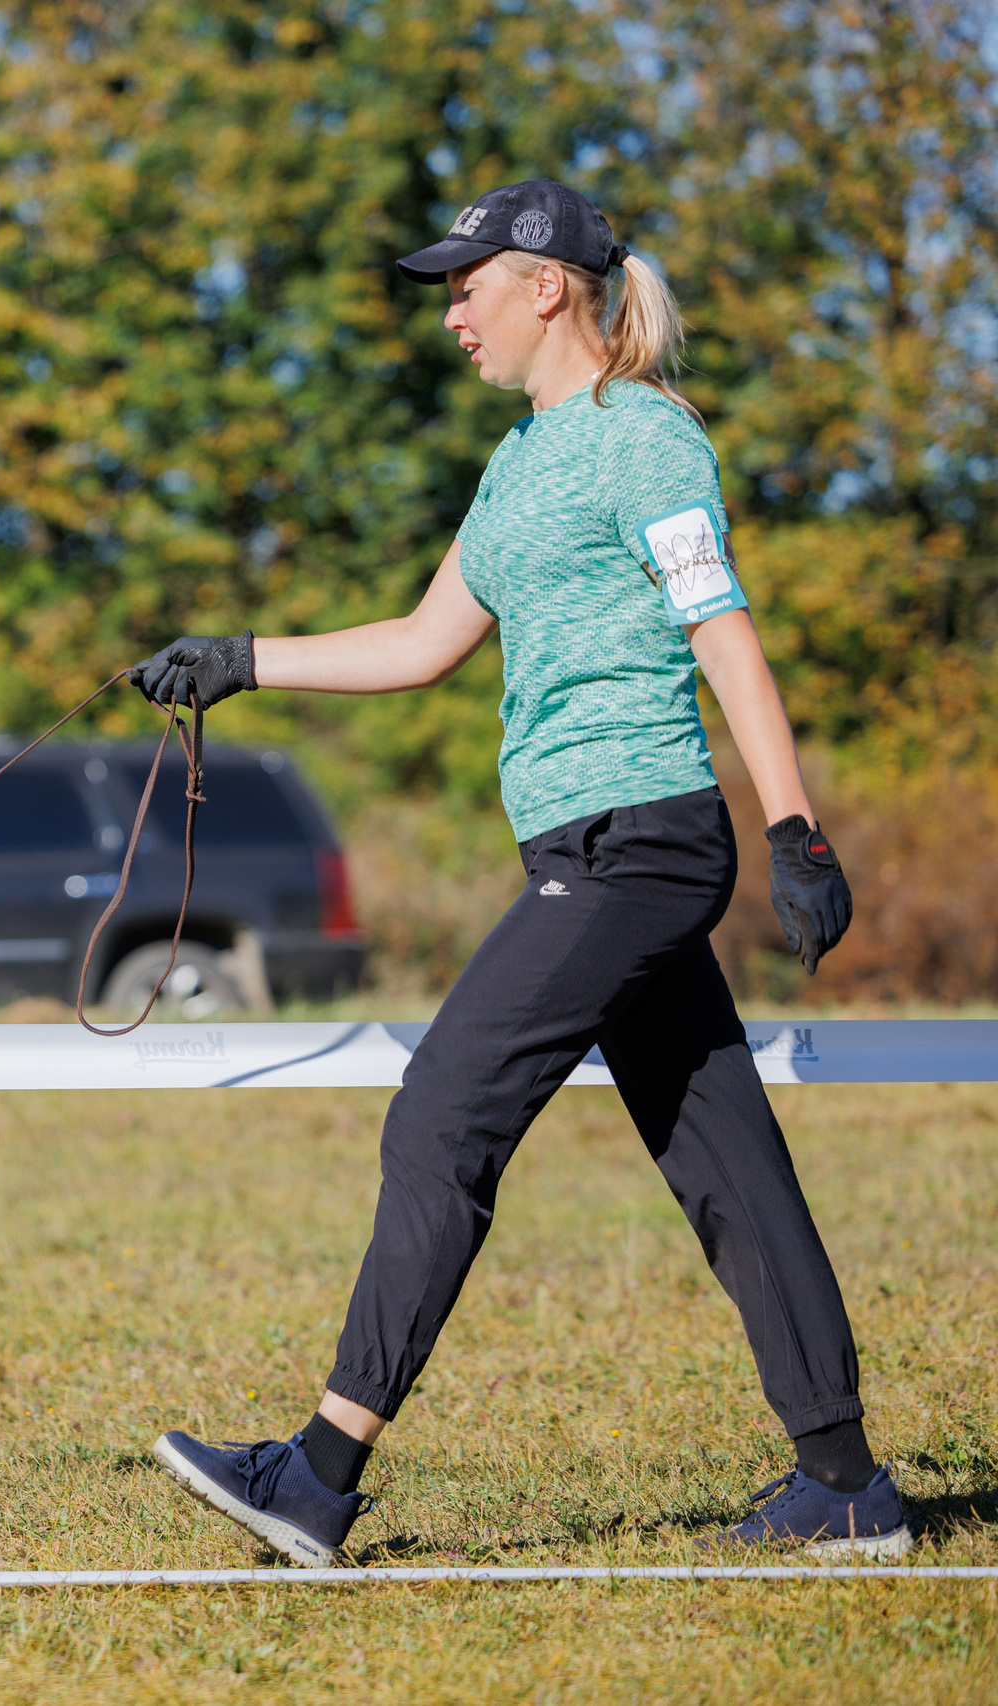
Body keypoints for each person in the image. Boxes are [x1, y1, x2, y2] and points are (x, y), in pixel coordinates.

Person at [133, 181, 903, 1563]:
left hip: (641, 840)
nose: (451, 313)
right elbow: (427, 640)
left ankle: (317, 1474)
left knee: (441, 1113)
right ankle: (845, 1484)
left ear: (547, 283)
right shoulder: (519, 462)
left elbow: (720, 629)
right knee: (728, 1159)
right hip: (584, 845)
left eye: (467, 285)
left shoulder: (647, 439)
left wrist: (797, 827)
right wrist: (239, 659)